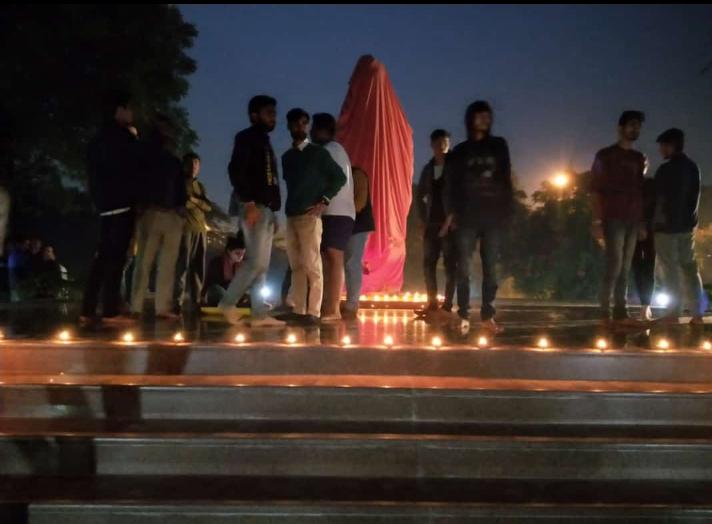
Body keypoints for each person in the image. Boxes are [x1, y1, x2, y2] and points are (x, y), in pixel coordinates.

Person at [443, 101, 513, 334]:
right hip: (467, 216)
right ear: (470, 119)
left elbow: (505, 178)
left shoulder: (499, 145)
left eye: (487, 115)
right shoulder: (461, 151)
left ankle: (487, 315)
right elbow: (450, 185)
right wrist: (451, 213)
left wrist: (508, 210)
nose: (484, 119)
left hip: (493, 216)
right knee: (463, 266)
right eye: (479, 116)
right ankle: (462, 312)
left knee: (491, 267)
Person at [219, 95, 285, 327]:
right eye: (268, 113)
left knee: (263, 265)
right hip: (253, 205)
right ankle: (227, 304)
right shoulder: (246, 138)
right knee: (255, 262)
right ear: (254, 115)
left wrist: (273, 211)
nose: (273, 117)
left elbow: (270, 179)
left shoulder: (264, 142)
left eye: (274, 113)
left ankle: (258, 313)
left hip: (265, 209)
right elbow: (235, 170)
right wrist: (248, 203)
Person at [282, 108, 346, 325]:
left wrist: (324, 201)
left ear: (307, 126)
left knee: (312, 265)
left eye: (303, 123)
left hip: (309, 216)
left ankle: (314, 312)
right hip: (291, 215)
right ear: (289, 126)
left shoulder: (318, 154)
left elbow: (339, 177)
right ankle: (300, 310)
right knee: (296, 265)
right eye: (295, 124)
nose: (299, 128)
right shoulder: (287, 157)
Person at [80, 92, 139, 325]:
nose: (132, 114)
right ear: (119, 110)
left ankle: (87, 309)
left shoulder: (97, 139)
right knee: (115, 258)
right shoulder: (121, 137)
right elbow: (134, 168)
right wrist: (133, 138)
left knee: (102, 257)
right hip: (121, 203)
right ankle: (110, 312)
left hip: (104, 204)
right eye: (129, 109)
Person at [590, 110, 647, 325]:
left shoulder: (638, 158)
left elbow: (640, 189)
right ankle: (605, 311)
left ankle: (621, 310)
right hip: (612, 216)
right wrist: (596, 220)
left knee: (625, 265)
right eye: (632, 125)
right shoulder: (605, 155)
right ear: (620, 128)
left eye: (638, 126)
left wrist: (641, 221)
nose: (636, 129)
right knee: (614, 264)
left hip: (632, 218)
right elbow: (595, 189)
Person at [130, 113, 187, 320]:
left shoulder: (174, 160)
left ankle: (162, 307)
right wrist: (140, 206)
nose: (168, 133)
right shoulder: (145, 154)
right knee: (144, 261)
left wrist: (181, 209)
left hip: (172, 215)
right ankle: (135, 306)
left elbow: (180, 188)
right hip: (151, 212)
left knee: (167, 264)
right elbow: (138, 181)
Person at [652, 128, 706, 325]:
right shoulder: (693, 167)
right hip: (687, 226)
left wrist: (655, 222)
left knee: (669, 268)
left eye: (663, 146)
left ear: (671, 146)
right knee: (689, 268)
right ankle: (697, 313)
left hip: (666, 227)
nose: (660, 150)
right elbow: (694, 197)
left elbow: (659, 198)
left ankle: (673, 312)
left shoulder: (666, 170)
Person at [311, 113, 355, 322]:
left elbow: (326, 180)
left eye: (315, 128)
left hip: (338, 211)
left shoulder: (330, 150)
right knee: (328, 258)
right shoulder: (335, 150)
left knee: (333, 257)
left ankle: (333, 308)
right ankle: (327, 306)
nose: (311, 132)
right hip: (336, 211)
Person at [417, 129, 457, 313]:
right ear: (432, 146)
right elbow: (420, 195)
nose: (442, 147)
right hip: (432, 222)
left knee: (450, 264)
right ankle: (432, 303)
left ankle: (448, 304)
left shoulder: (455, 167)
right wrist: (423, 220)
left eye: (445, 143)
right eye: (439, 143)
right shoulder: (428, 168)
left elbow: (461, 197)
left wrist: (449, 221)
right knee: (428, 264)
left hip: (451, 224)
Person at [174, 152, 211, 313]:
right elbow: (183, 205)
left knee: (198, 268)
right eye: (190, 164)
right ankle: (177, 302)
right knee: (182, 267)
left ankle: (196, 301)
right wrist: (197, 202)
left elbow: (208, 207)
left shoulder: (200, 186)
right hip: (185, 229)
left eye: (196, 164)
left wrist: (195, 200)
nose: (193, 167)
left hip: (201, 230)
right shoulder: (179, 183)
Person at [342, 166, 375, 320]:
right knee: (348, 263)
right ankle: (347, 302)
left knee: (352, 263)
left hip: (358, 225)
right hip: (348, 223)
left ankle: (352, 304)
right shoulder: (351, 174)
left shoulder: (357, 174)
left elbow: (359, 202)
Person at [632, 176, 656, 321]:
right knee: (643, 269)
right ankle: (645, 306)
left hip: (645, 229)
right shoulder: (641, 185)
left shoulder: (646, 185)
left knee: (643, 268)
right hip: (643, 228)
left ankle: (645, 306)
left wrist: (643, 224)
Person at [204, 233, 248, 307]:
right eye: (237, 253)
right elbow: (212, 284)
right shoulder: (217, 262)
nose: (240, 257)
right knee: (217, 289)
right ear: (229, 251)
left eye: (242, 254)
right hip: (218, 294)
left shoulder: (241, 266)